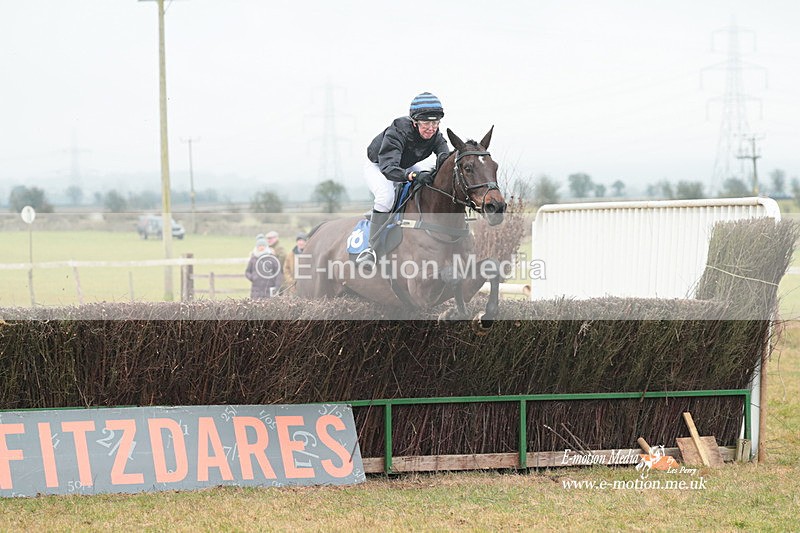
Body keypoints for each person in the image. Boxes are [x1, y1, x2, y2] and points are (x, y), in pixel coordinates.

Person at [356, 92, 450, 265]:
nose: (431, 128)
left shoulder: (436, 135)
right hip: (379, 165)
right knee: (386, 197)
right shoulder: (398, 131)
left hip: (404, 165)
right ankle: (371, 248)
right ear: (415, 122)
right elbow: (389, 168)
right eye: (426, 123)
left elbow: (444, 154)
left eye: (435, 123)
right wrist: (413, 175)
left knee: (429, 185)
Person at [245, 234, 282, 299]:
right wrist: (253, 277)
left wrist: (277, 286)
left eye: (263, 246)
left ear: (266, 246)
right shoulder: (253, 258)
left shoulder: (272, 258)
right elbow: (247, 272)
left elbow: (278, 273)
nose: (261, 247)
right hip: (256, 290)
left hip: (269, 288)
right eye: (259, 246)